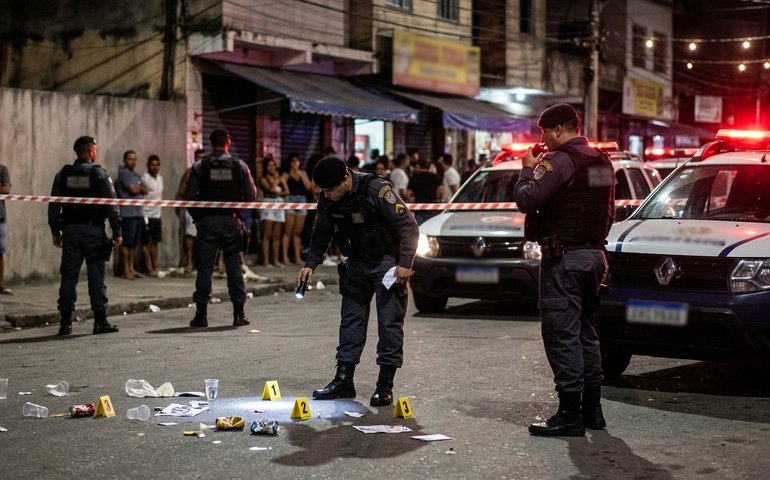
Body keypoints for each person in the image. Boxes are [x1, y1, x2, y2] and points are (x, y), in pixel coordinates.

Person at [513, 104, 615, 437]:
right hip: (593, 258)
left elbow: (528, 200)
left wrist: (527, 170)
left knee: (562, 335)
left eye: (543, 132)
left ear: (558, 130)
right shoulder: (600, 161)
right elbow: (606, 210)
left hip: (565, 260)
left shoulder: (558, 163)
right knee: (586, 332)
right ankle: (592, 411)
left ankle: (570, 415)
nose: (541, 138)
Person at [296, 156, 419, 407]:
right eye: (323, 191)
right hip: (356, 262)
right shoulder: (327, 197)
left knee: (388, 323)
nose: (326, 195)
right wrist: (310, 264)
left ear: (345, 179)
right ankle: (343, 381)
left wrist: (406, 263)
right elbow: (322, 232)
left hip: (387, 262)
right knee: (350, 320)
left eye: (330, 190)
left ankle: (384, 385)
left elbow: (408, 225)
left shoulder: (376, 189)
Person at [48, 136, 122, 335]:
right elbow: (111, 206)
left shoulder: (62, 175)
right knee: (96, 276)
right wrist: (117, 231)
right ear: (91, 152)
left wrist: (55, 231)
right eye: (95, 150)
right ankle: (100, 321)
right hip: (93, 232)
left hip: (71, 232)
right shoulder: (99, 175)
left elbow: (54, 206)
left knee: (68, 277)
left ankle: (65, 323)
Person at [184, 128, 257, 327]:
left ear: (211, 143)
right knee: (234, 268)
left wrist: (198, 219)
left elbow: (189, 197)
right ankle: (238, 315)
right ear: (228, 142)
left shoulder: (199, 166)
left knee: (204, 269)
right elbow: (252, 196)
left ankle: (201, 316)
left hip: (207, 224)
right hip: (231, 223)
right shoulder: (239, 165)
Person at [116, 150, 148, 279]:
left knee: (134, 244)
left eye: (135, 159)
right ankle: (126, 270)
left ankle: (132, 268)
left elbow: (145, 190)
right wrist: (138, 188)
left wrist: (139, 188)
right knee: (127, 244)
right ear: (125, 160)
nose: (133, 162)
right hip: (127, 213)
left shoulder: (136, 175)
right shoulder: (123, 174)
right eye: (130, 159)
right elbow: (133, 189)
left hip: (138, 212)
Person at [281, 153, 312, 266]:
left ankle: (298, 258)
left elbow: (309, 187)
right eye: (293, 161)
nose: (295, 163)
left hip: (301, 201)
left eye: (297, 161)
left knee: (297, 232)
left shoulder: (303, 173)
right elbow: (282, 184)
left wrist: (302, 176)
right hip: (290, 200)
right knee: (288, 231)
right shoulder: (286, 174)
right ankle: (285, 257)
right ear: (290, 162)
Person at [258, 155, 288, 267]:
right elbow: (271, 189)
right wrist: (277, 179)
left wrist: (281, 181)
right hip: (268, 204)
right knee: (267, 234)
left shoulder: (280, 177)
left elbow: (287, 191)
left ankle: (275, 260)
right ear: (266, 167)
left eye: (274, 165)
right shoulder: (263, 179)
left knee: (277, 235)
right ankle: (266, 261)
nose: (273, 167)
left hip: (279, 205)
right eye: (270, 165)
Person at [141, 154, 164, 277]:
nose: (155, 167)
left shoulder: (160, 178)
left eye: (157, 165)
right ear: (148, 166)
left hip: (157, 214)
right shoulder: (145, 178)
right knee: (146, 243)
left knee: (155, 242)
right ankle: (148, 269)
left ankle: (155, 267)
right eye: (152, 165)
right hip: (146, 214)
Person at [407, 159, 442, 225]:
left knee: (421, 230)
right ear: (428, 167)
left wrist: (413, 201)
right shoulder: (435, 177)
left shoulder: (414, 178)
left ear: (419, 166)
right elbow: (441, 192)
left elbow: (408, 195)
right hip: (433, 208)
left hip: (419, 209)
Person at [0, 162, 12, 295]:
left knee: (0, 252)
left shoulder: (2, 169)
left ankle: (0, 285)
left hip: (0, 218)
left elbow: (6, 190)